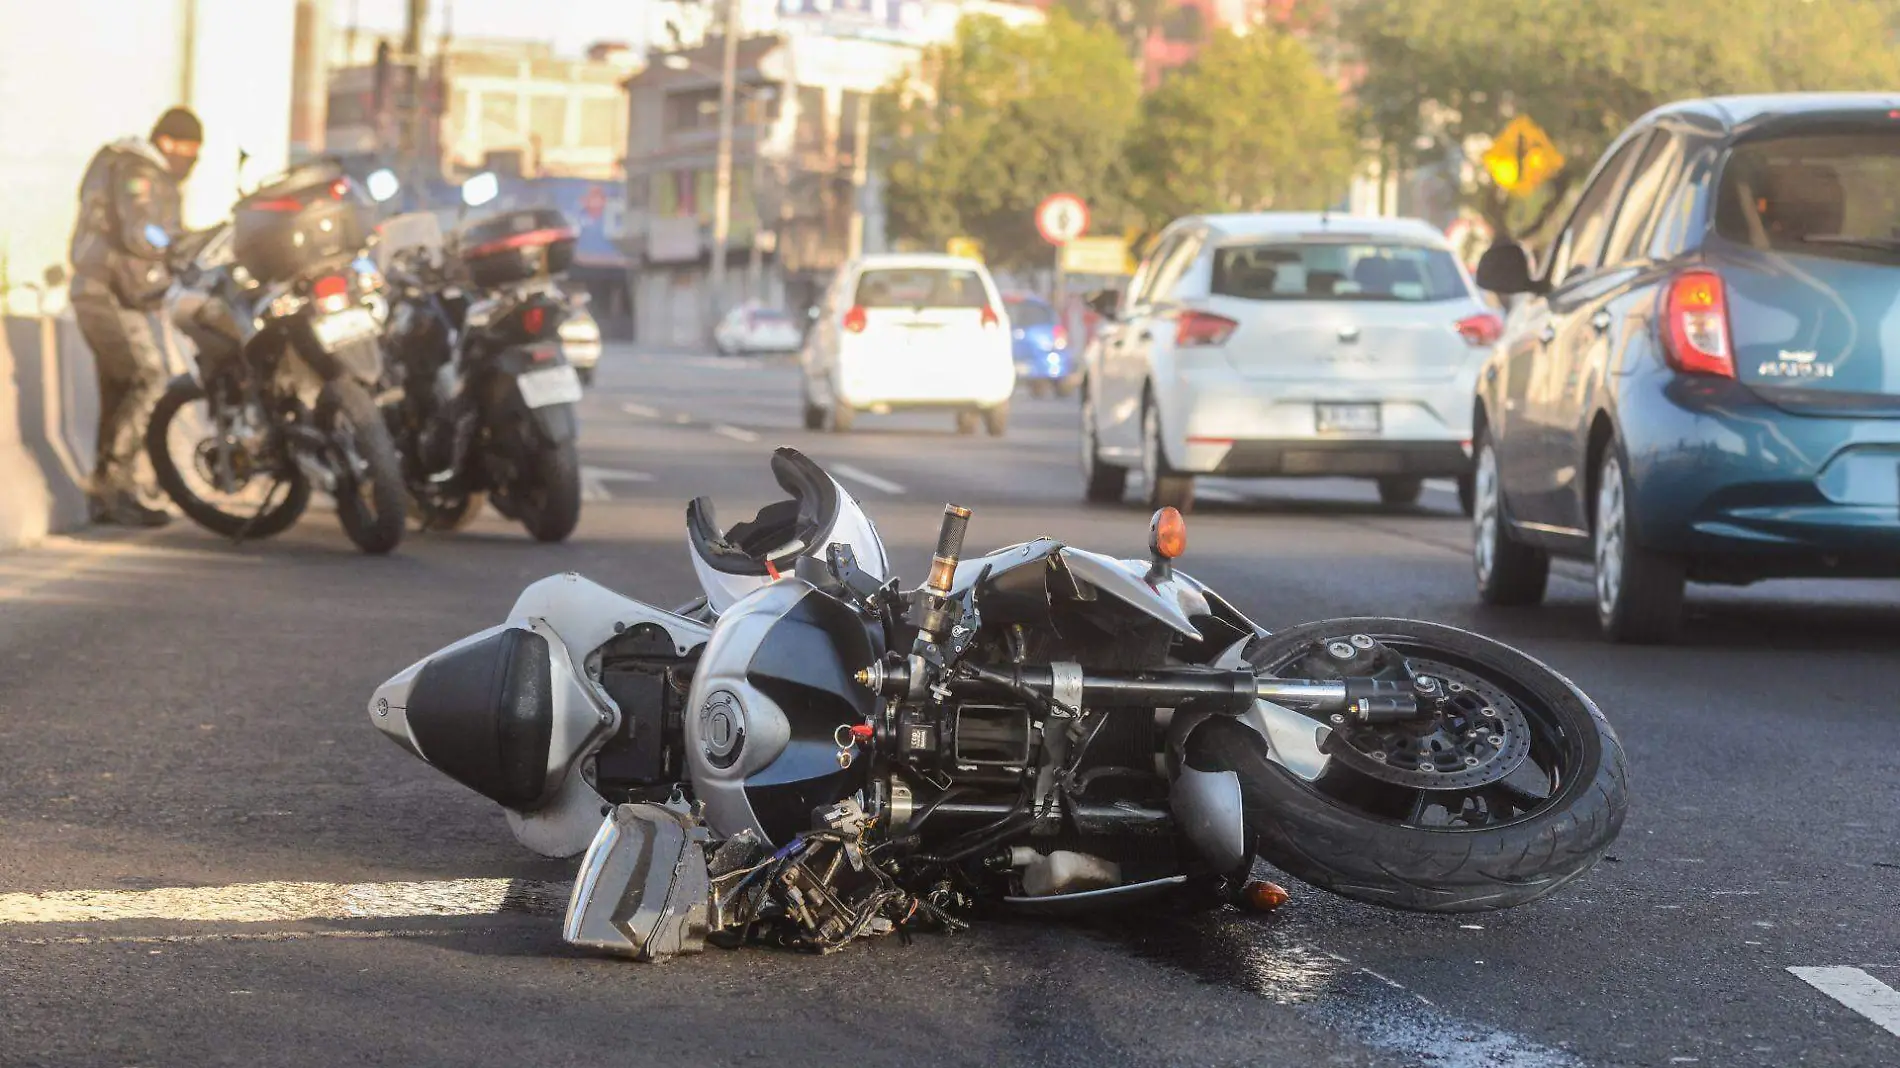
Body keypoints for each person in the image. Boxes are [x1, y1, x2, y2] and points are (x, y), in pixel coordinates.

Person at [67, 106, 203, 526]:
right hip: (105, 291)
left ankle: (108, 491)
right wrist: (183, 247)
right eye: (189, 150)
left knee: (122, 387)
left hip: (115, 291)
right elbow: (141, 231)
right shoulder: (136, 172)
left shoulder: (128, 166)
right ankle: (117, 488)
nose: (191, 161)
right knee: (147, 377)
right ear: (169, 143)